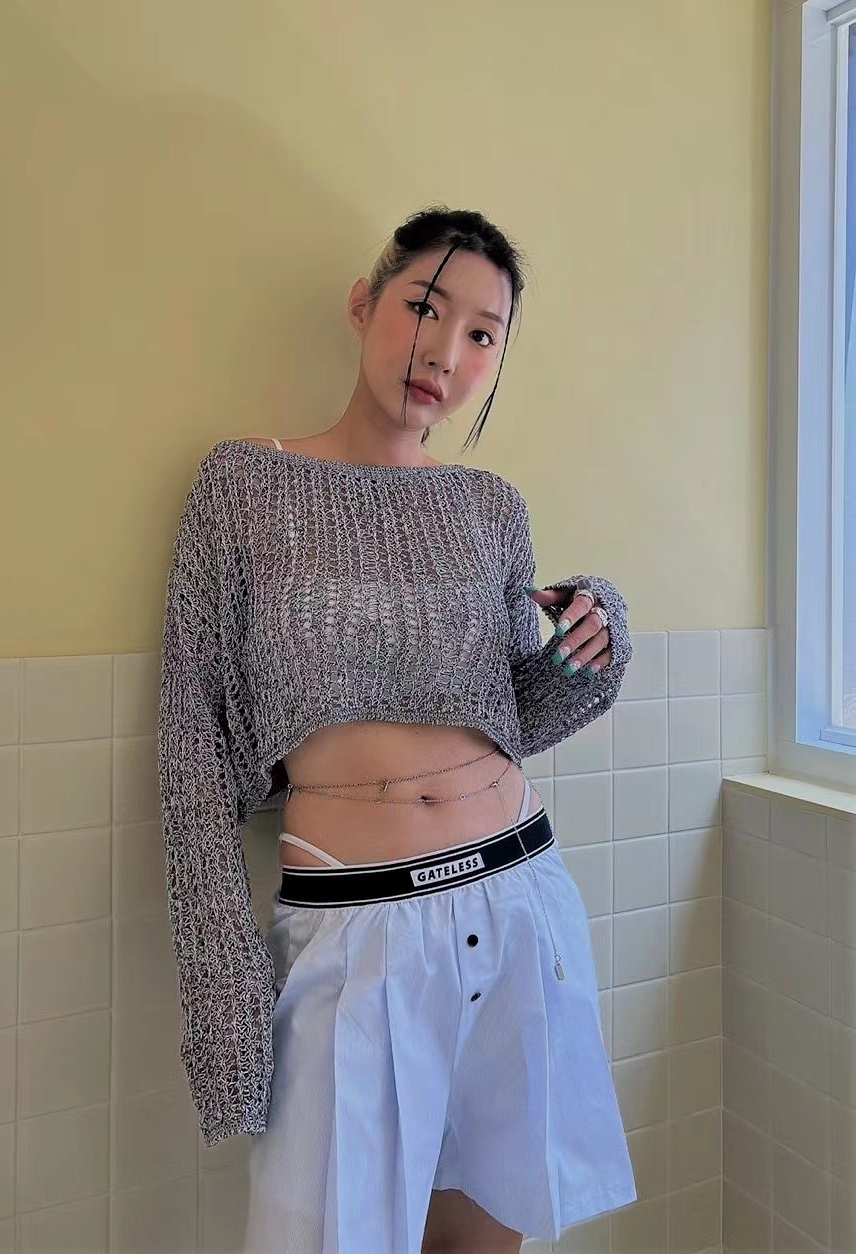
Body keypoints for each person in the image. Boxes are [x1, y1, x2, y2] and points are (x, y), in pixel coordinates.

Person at [157, 205, 637, 1254]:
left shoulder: (489, 507)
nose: (445, 351)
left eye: (482, 334)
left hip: (516, 901)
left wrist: (590, 646)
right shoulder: (243, 486)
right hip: (355, 927)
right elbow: (192, 756)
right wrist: (227, 1004)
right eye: (425, 306)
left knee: (488, 1236)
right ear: (364, 303)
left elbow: (506, 713)